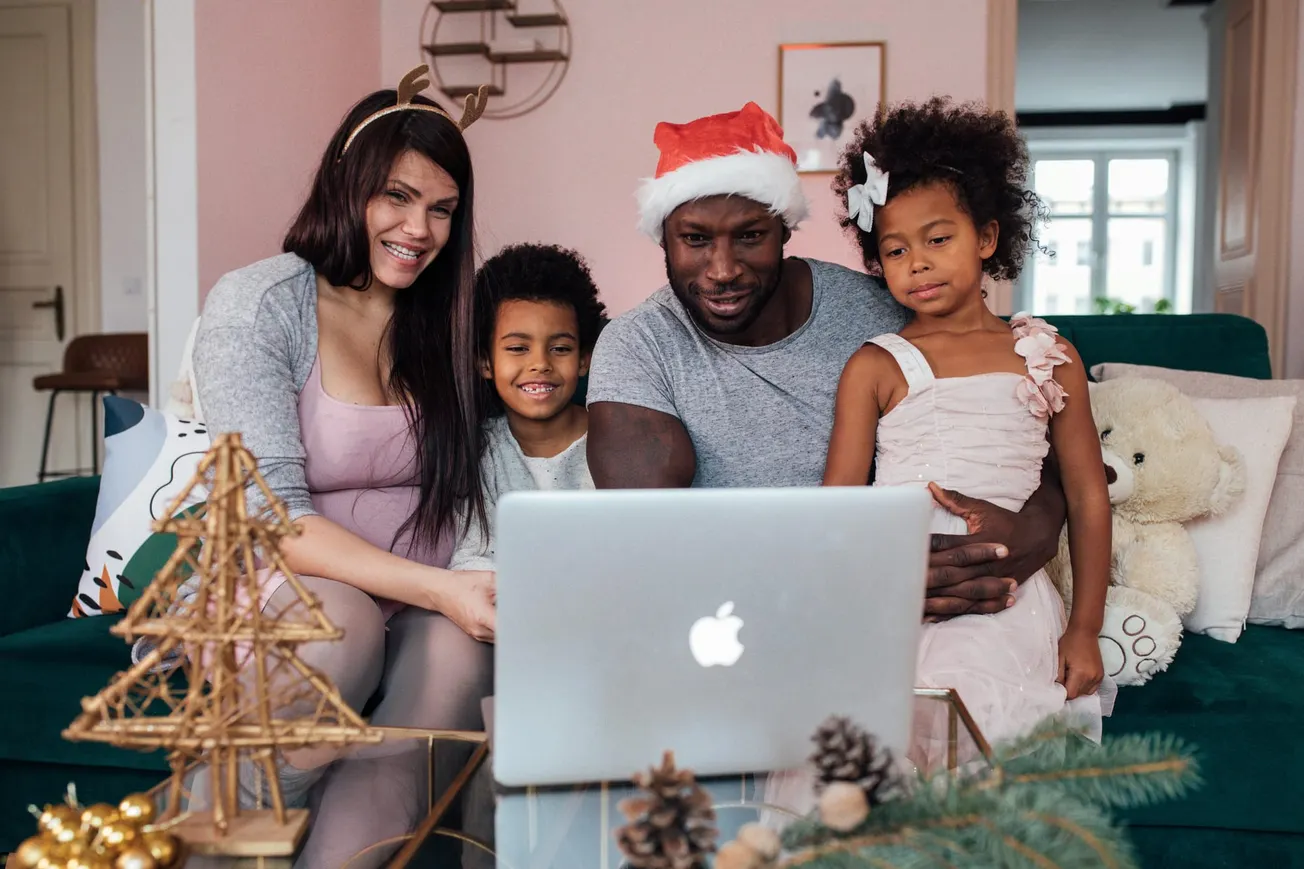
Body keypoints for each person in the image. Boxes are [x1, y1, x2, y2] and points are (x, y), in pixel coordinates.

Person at [585, 101, 1067, 619]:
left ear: (784, 230)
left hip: (908, 618)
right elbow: (651, 546)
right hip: (722, 623)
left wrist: (1029, 534)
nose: (722, 269)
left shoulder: (885, 312)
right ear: (665, 238)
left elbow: (1024, 437)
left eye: (750, 236)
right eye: (695, 239)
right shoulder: (638, 347)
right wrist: (858, 573)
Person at [184, 66, 495, 867]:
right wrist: (438, 589)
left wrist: (470, 582)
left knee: (460, 652)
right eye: (396, 196)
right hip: (288, 593)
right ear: (346, 185)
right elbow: (270, 518)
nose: (419, 228)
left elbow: (475, 484)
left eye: (441, 209)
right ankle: (221, 839)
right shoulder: (261, 302)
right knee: (343, 623)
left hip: (424, 595)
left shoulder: (444, 320)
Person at [809, 98, 1111, 780]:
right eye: (895, 249)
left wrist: (1085, 627)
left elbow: (1089, 497)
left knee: (983, 757)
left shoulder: (1046, 353)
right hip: (896, 592)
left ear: (986, 237)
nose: (917, 262)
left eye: (937, 239)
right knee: (876, 770)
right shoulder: (874, 364)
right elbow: (835, 509)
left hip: (1005, 601)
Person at [450, 242, 608, 571]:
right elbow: (473, 558)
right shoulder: (479, 452)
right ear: (484, 362)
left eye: (560, 348)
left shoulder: (615, 439)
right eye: (519, 348)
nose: (540, 363)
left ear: (584, 360)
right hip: (511, 610)